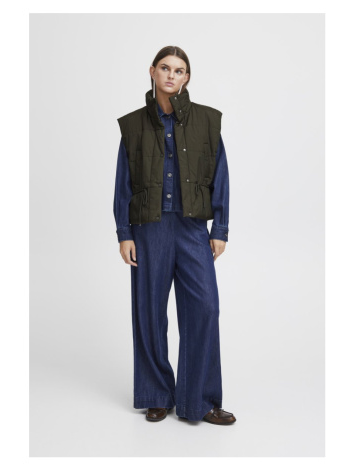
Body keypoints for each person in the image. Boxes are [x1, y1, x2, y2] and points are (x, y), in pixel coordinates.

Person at [113, 46, 236, 425]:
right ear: (152, 71)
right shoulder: (133, 125)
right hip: (148, 230)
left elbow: (220, 175)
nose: (171, 75)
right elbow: (123, 181)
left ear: (187, 78)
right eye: (165, 68)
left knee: (205, 308)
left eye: (179, 70)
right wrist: (124, 232)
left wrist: (220, 227)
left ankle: (200, 400)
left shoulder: (207, 121)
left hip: (192, 228)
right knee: (149, 313)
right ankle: (156, 394)